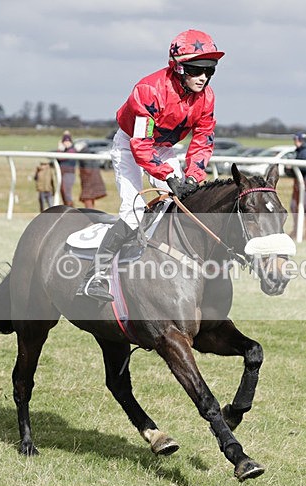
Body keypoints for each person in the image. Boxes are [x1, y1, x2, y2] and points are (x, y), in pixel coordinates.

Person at [77, 29, 224, 302]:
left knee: (185, 204)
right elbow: (141, 145)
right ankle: (94, 277)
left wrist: (193, 176)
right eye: (196, 69)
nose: (203, 77)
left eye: (210, 71)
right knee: (132, 212)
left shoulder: (207, 98)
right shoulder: (149, 90)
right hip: (130, 145)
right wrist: (168, 176)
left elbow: (203, 140)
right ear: (178, 68)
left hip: (165, 149)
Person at [289, 132, 306, 240]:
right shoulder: (300, 151)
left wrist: (293, 166)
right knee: (294, 206)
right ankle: (297, 229)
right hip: (299, 184)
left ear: (301, 140)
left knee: (304, 208)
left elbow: (305, 168)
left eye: (296, 140)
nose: (295, 142)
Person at [75, 141, 108, 209]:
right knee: (90, 197)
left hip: (89, 180)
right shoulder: (88, 152)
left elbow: (87, 170)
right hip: (93, 179)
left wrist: (82, 174)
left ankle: (90, 214)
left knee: (87, 197)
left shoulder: (83, 154)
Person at [57, 130, 78, 206]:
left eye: (68, 141)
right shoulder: (64, 150)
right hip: (62, 174)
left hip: (69, 174)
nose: (66, 143)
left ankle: (70, 209)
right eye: (65, 141)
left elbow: (61, 158)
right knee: (63, 192)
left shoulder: (72, 150)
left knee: (67, 193)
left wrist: (59, 149)